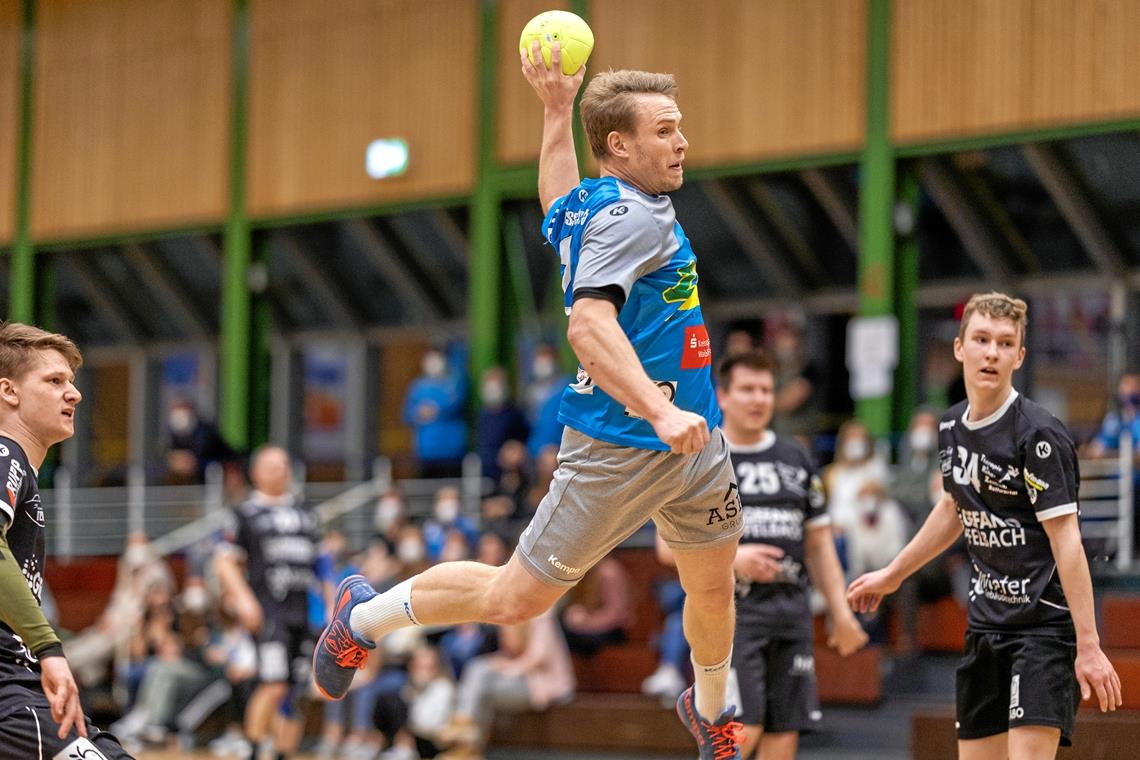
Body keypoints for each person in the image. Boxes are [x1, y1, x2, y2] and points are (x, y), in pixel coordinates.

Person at [313, 46, 745, 759]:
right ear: (619, 145)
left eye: (680, 127)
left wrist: (553, 112)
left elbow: (556, 202)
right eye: (665, 129)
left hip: (696, 446)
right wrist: (660, 412)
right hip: (621, 447)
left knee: (713, 587)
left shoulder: (606, 204)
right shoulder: (635, 220)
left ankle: (711, 712)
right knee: (515, 599)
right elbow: (587, 326)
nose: (682, 141)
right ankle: (363, 617)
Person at [848, 292, 1123, 759]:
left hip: (1042, 631)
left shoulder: (1038, 435)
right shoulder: (951, 426)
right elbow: (954, 508)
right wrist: (894, 573)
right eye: (981, 339)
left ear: (1019, 355)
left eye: (1004, 342)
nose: (991, 352)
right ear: (960, 348)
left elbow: (1068, 543)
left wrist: (1089, 644)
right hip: (985, 627)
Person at [710, 350, 868, 759]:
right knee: (742, 733)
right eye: (747, 389)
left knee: (784, 734)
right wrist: (734, 560)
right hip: (731, 619)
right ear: (723, 396)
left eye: (765, 389)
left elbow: (819, 545)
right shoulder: (705, 459)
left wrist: (840, 611)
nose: (758, 399)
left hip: (790, 615)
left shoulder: (795, 457)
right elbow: (664, 548)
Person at [0, 322, 133, 757]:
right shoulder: (6, 455)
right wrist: (49, 649)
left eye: (71, 383)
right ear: (9, 391)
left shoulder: (20, 471)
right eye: (54, 381)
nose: (73, 394)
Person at [215, 445, 320, 760]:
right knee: (273, 683)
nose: (280, 471)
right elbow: (224, 562)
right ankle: (255, 749)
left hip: (303, 613)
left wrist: (330, 604)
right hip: (269, 612)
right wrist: (244, 601)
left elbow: (323, 565)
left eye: (285, 465)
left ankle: (283, 753)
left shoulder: (306, 513)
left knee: (297, 692)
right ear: (256, 473)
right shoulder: (245, 513)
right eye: (272, 465)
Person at [402, 348, 468, 479]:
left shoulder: (454, 382)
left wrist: (435, 409)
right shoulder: (418, 387)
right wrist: (418, 413)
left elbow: (454, 404)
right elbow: (407, 414)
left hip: (452, 451)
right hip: (426, 452)